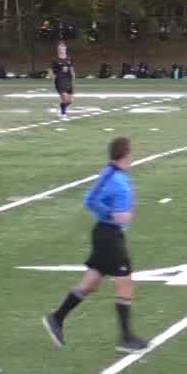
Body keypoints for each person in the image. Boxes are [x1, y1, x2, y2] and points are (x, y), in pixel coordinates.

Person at [43, 136, 146, 352]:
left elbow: (91, 199)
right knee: (124, 282)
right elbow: (89, 199)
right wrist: (112, 215)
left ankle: (57, 318)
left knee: (91, 283)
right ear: (125, 155)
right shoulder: (114, 178)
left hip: (107, 234)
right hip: (109, 235)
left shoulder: (111, 173)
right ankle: (126, 338)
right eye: (131, 152)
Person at [51, 41, 76, 119]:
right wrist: (54, 77)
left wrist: (73, 76)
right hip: (60, 80)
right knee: (65, 98)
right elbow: (52, 71)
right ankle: (63, 114)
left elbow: (71, 69)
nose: (62, 49)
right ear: (58, 49)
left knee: (70, 101)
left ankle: (61, 108)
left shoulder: (69, 58)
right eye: (60, 47)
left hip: (68, 80)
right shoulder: (55, 59)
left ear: (65, 48)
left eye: (63, 47)